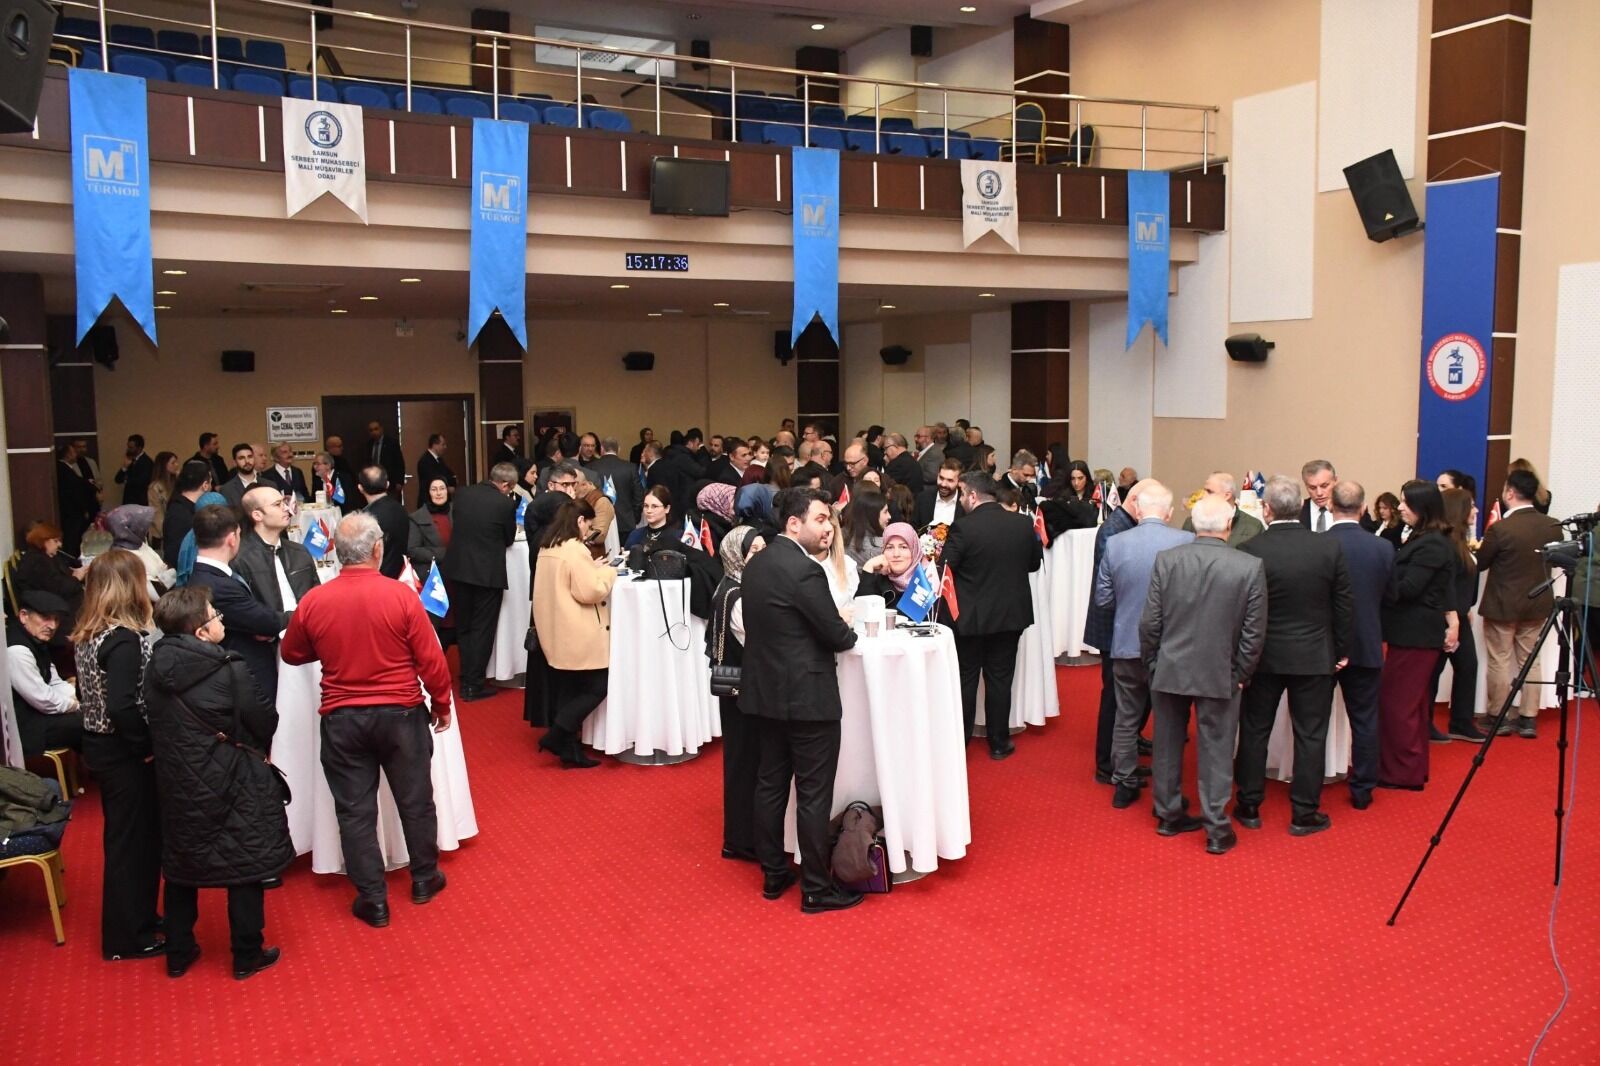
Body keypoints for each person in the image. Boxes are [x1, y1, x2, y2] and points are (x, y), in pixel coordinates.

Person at [281, 512, 454, 928]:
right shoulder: (400, 597)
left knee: (354, 811)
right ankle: (424, 877)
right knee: (415, 800)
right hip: (401, 714)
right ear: (378, 549)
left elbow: (292, 653)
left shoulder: (315, 601)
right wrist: (442, 704)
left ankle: (373, 898)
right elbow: (431, 660)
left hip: (343, 718)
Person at [144, 586, 292, 980]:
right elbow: (265, 721)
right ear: (200, 632)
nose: (221, 620)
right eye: (215, 615)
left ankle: (178, 953)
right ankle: (246, 955)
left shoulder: (154, 669)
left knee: (181, 868)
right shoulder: (230, 668)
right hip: (236, 778)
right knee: (244, 864)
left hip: (178, 781)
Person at [740, 487, 862, 913]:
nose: (828, 528)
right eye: (820, 519)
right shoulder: (805, 570)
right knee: (813, 793)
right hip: (807, 697)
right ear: (794, 524)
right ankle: (815, 887)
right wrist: (844, 625)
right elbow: (838, 636)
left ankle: (774, 872)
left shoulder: (756, 564)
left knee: (771, 784)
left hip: (765, 693)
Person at [1139, 497, 1268, 855]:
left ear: (1195, 524)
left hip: (1170, 666)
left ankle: (1168, 815)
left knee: (1166, 743)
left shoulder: (1167, 561)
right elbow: (1254, 632)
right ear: (1228, 525)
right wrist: (1241, 672)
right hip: (1220, 671)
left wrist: (1153, 662)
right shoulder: (1248, 566)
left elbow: (1150, 622)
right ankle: (1216, 827)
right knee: (1217, 748)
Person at [1233, 477, 1353, 836]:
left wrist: (1240, 655)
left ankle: (1249, 805)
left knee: (1254, 730)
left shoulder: (1251, 549)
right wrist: (1341, 650)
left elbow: (1241, 610)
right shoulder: (1327, 547)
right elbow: (1343, 605)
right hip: (1314, 655)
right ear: (1301, 506)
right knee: (1310, 734)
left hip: (1263, 656)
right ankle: (1304, 812)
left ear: (1266, 509)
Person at [72, 549, 164, 960]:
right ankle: (128, 936)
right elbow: (123, 706)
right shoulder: (123, 640)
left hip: (100, 744)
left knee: (129, 838)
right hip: (123, 751)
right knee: (132, 843)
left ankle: (140, 918)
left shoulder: (90, 634)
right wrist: (145, 747)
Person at [1093, 482, 1193, 803]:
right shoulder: (1186, 542)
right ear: (1170, 512)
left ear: (1137, 509)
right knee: (1168, 720)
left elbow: (1103, 599)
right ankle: (1166, 791)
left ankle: (1124, 784)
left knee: (1126, 717)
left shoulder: (1116, 543)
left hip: (1126, 642)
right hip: (1169, 647)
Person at [942, 471, 1043, 758]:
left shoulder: (963, 528)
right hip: (1010, 614)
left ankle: (960, 744)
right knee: (1001, 679)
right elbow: (1034, 564)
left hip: (971, 617)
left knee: (967, 678)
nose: (961, 499)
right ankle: (999, 742)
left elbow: (946, 567)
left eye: (962, 494)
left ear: (973, 496)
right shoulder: (1022, 524)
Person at [1377, 481, 1460, 790]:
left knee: (1398, 705)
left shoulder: (1432, 544)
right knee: (1410, 705)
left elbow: (1409, 589)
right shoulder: (1425, 538)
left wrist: (1376, 581)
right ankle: (1410, 769)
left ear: (1423, 507)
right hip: (1412, 633)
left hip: (1415, 634)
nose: (1399, 507)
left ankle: (1400, 772)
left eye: (1405, 502)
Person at [1326, 481, 1397, 809]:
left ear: (1330, 506)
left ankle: (1312, 779)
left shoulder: (1320, 544)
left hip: (1325, 645)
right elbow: (1392, 596)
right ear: (1364, 508)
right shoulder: (1382, 548)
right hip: (1367, 641)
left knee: (1314, 720)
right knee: (1365, 719)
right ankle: (1364, 787)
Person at [1476, 468, 1563, 737]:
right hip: (1537, 603)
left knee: (1499, 660)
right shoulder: (1552, 526)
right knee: (1530, 659)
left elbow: (1481, 563)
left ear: (1510, 493)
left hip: (1503, 604)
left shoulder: (1500, 529)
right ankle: (1528, 718)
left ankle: (1498, 716)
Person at [530, 498, 615, 768]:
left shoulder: (548, 546)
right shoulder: (575, 549)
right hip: (578, 629)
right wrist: (609, 572)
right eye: (588, 524)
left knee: (569, 688)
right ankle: (557, 734)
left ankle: (569, 749)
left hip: (556, 629)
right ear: (580, 521)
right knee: (599, 686)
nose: (589, 529)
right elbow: (590, 591)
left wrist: (592, 569)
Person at [185, 503, 292, 704]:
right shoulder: (218, 585)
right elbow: (267, 622)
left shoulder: (210, 575)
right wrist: (303, 612)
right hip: (246, 677)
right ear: (232, 539)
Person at [439, 462, 520, 702]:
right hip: (486, 573)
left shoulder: (463, 494)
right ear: (505, 485)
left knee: (464, 626)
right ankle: (473, 684)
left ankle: (466, 675)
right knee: (482, 629)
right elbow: (508, 539)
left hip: (459, 568)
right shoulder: (505, 504)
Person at [708, 527, 766, 862]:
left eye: (763, 547)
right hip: (743, 690)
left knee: (743, 761)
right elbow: (759, 641)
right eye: (753, 550)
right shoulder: (740, 596)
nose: (761, 555)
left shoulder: (732, 585)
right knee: (746, 764)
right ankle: (742, 840)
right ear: (737, 555)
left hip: (735, 688)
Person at [1087, 481, 1145, 784]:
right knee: (1114, 696)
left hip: (1119, 625)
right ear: (1135, 501)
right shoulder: (1113, 530)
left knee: (1125, 696)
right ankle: (1107, 763)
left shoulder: (1125, 524)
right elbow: (1111, 588)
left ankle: (1125, 750)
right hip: (1113, 626)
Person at [1427, 487, 1486, 744]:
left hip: (1460, 615)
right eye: (1471, 506)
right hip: (1444, 617)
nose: (1476, 510)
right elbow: (1444, 585)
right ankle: (1424, 722)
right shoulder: (1447, 545)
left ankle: (1461, 722)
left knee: (1467, 666)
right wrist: (1452, 616)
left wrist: (1465, 609)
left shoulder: (1461, 542)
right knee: (1433, 671)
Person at [6, 591, 84, 757]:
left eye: (56, 619)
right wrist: (77, 705)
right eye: (45, 618)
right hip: (27, 728)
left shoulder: (36, 640)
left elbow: (54, 682)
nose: (52, 626)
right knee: (88, 722)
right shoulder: (17, 650)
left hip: (40, 715)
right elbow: (42, 699)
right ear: (24, 616)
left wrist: (81, 697)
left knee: (93, 719)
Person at [14, 522, 87, 616]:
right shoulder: (37, 562)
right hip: (55, 609)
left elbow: (57, 579)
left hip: (57, 602)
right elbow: (59, 590)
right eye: (56, 541)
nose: (60, 545)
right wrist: (77, 578)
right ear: (43, 541)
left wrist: (74, 573)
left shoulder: (43, 557)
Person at [105, 505, 175, 600]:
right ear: (131, 529)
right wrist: (168, 575)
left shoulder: (138, 543)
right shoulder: (125, 558)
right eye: (143, 525)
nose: (147, 528)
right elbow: (156, 594)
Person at [1181, 472, 1265, 547]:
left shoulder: (1253, 526)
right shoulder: (1191, 522)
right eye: (1204, 491)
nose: (1203, 496)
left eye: (1209, 492)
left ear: (1227, 495)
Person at [357, 467, 411, 581]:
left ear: (360, 488)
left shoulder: (365, 518)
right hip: (402, 576)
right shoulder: (401, 509)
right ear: (387, 484)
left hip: (376, 579)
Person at [856, 522, 926, 609]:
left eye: (903, 547)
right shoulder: (878, 581)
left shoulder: (928, 579)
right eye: (890, 547)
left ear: (915, 550)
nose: (896, 554)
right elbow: (861, 612)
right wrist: (868, 567)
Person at [587, 437, 640, 536]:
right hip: (626, 522)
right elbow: (638, 496)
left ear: (602, 449)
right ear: (618, 449)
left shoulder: (590, 467)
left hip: (599, 524)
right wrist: (634, 518)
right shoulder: (630, 467)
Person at [55, 442, 97, 556]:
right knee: (72, 538)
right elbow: (74, 491)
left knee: (75, 538)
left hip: (73, 511)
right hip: (72, 511)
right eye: (73, 452)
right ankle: (72, 559)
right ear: (68, 455)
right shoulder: (63, 468)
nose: (76, 454)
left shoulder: (67, 468)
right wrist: (83, 508)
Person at [1040, 459, 1099, 537]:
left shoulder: (1095, 495)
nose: (1076, 483)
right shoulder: (1062, 496)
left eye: (1080, 478)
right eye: (1073, 478)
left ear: (1087, 478)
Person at [839, 486, 889, 569]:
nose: (889, 516)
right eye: (885, 512)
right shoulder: (881, 549)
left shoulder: (840, 537)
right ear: (872, 515)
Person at [913, 458, 968, 530]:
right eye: (941, 478)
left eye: (950, 480)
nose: (943, 484)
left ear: (959, 482)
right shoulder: (923, 498)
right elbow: (914, 527)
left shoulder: (966, 502)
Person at [624, 486, 679, 556]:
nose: (649, 511)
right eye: (646, 506)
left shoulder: (677, 537)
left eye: (654, 506)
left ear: (667, 509)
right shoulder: (635, 535)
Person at [146, 452, 180, 547]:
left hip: (176, 528)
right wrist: (169, 533)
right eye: (173, 463)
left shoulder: (177, 484)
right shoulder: (155, 488)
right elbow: (157, 515)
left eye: (176, 462)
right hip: (161, 535)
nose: (177, 465)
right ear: (164, 465)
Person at [415, 434, 457, 509]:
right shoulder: (425, 461)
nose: (445, 447)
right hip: (429, 504)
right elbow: (433, 480)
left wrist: (453, 480)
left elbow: (451, 475)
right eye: (443, 444)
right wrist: (447, 489)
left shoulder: (440, 460)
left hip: (440, 503)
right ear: (435, 445)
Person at [365, 421, 407, 497]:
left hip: (390, 482)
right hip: (373, 483)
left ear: (381, 429)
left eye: (376, 429)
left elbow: (399, 463)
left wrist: (399, 481)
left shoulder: (391, 443)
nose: (374, 432)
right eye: (371, 430)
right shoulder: (369, 445)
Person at [114, 434, 154, 507]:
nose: (128, 449)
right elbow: (117, 479)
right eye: (128, 447)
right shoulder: (130, 460)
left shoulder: (147, 462)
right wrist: (124, 467)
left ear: (139, 448)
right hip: (128, 502)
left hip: (140, 503)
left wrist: (126, 480)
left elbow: (141, 482)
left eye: (131, 447)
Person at [216, 443, 260, 509]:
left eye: (250, 457)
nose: (247, 461)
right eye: (241, 458)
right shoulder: (227, 490)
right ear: (235, 462)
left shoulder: (270, 485)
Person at [1299, 459, 1337, 532]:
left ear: (1335, 481)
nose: (1319, 493)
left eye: (1324, 486)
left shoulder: (1349, 511)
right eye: (1312, 488)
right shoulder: (1297, 513)